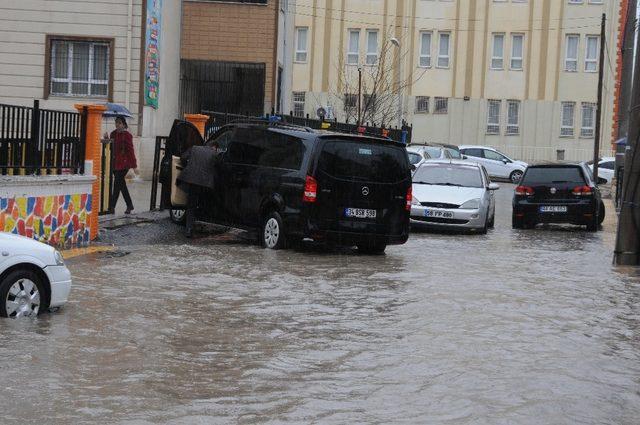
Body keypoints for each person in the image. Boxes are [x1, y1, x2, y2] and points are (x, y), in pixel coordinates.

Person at [104, 116, 137, 214]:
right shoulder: (113, 134)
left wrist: (134, 165)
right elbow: (110, 149)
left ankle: (112, 207)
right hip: (114, 164)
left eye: (119, 123)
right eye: (116, 123)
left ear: (124, 124)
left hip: (124, 164)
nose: (117, 125)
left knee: (117, 184)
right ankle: (129, 205)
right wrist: (107, 140)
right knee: (120, 185)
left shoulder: (127, 135)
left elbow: (130, 150)